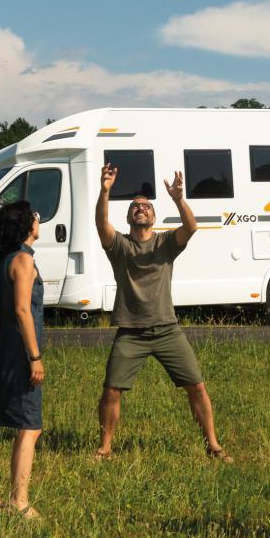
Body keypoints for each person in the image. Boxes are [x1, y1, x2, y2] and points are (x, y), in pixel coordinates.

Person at [94, 163, 231, 462]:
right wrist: (105, 191)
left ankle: (213, 445)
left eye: (146, 206)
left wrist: (179, 199)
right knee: (112, 390)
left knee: (197, 386)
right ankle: (105, 448)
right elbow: (101, 225)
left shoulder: (165, 243)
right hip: (131, 332)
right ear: (129, 217)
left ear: (154, 218)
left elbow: (191, 228)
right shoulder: (119, 246)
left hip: (167, 329)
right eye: (135, 206)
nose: (140, 208)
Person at [0, 198, 45, 519]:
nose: (38, 219)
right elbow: (22, 310)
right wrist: (34, 356)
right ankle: (20, 500)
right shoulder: (23, 260)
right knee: (30, 426)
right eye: (35, 216)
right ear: (26, 225)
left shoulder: (0, 262)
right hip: (18, 352)